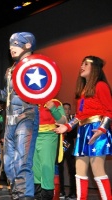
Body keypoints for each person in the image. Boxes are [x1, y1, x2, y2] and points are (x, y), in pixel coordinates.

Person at [0, 32, 39, 199]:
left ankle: (25, 196)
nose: (11, 48)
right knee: (8, 163)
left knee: (22, 161)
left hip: (26, 117)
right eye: (10, 45)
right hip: (10, 120)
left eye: (15, 44)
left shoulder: (36, 66)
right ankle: (17, 194)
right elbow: (6, 95)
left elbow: (44, 89)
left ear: (27, 45)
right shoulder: (10, 70)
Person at [54, 55, 112, 200]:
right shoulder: (83, 93)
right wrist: (66, 127)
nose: (82, 66)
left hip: (96, 130)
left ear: (95, 68)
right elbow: (80, 116)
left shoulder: (101, 86)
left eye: (86, 64)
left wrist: (102, 129)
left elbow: (109, 110)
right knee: (79, 171)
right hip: (83, 131)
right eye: (81, 63)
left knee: (97, 169)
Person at [33, 99, 67, 200]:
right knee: (35, 168)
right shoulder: (31, 100)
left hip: (48, 135)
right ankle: (37, 195)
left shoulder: (56, 102)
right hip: (33, 135)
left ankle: (46, 196)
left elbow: (63, 121)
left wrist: (53, 108)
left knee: (46, 167)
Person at [58, 103, 76, 200]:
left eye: (69, 109)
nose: (67, 111)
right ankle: (61, 191)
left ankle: (73, 192)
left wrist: (66, 130)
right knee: (60, 169)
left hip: (70, 146)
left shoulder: (73, 121)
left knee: (72, 169)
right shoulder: (59, 119)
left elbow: (74, 134)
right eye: (65, 109)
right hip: (60, 146)